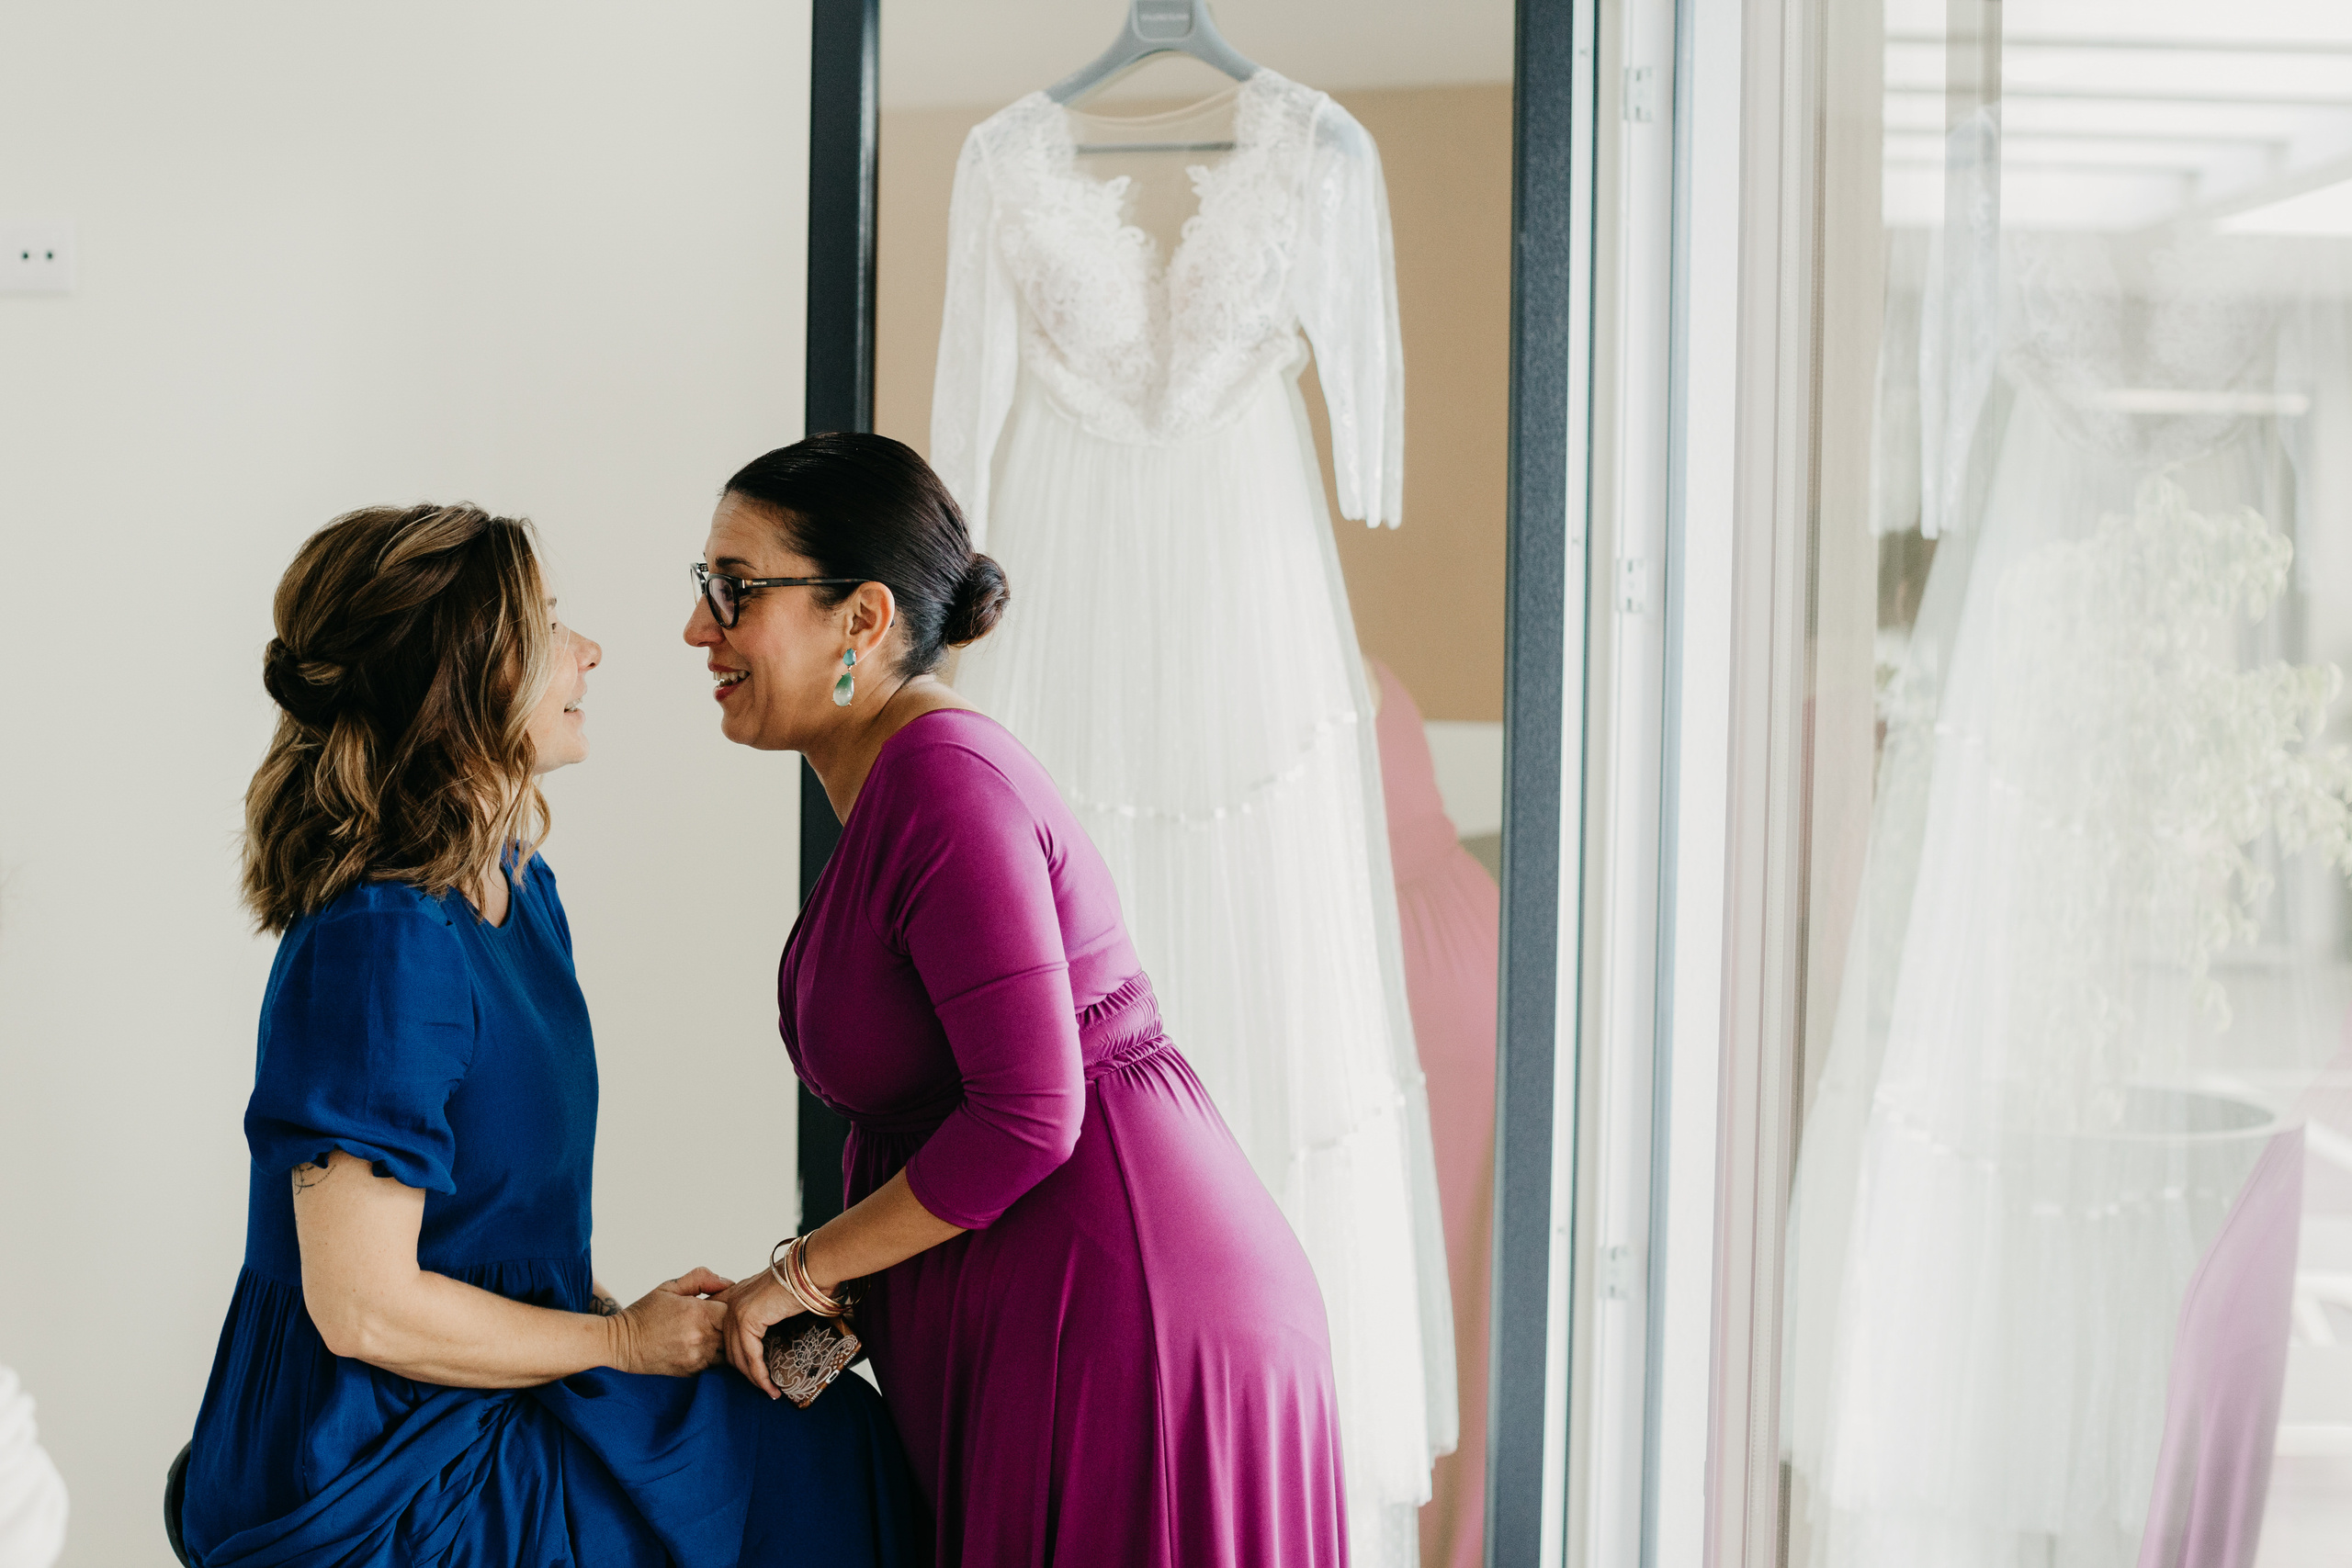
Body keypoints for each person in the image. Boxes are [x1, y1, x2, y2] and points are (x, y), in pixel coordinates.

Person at [180, 503, 921, 1568]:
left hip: (475, 1392)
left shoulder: (521, 892)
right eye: (549, 632)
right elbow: (361, 1309)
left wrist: (650, 1325)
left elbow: (483, 1227)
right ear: (463, 684)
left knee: (822, 1423)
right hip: (379, 1452)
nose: (590, 653)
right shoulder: (382, 943)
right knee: (809, 1471)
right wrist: (619, 1344)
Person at [689, 434, 1351, 1567]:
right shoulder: (900, 784)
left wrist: (804, 1271)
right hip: (1040, 1312)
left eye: (735, 590)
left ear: (861, 619)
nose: (701, 629)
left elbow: (1029, 1115)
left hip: (1122, 1321)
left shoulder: (944, 784)